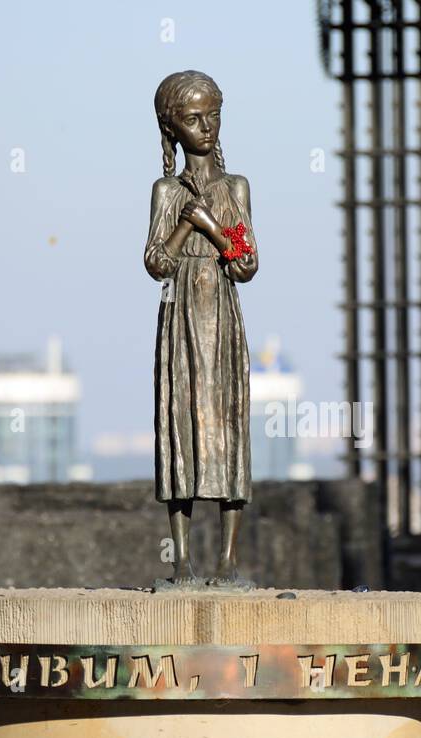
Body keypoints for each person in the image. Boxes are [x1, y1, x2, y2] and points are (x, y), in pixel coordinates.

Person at [144, 70, 258, 587]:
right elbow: (155, 262)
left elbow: (247, 263)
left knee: (227, 425)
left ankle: (228, 560)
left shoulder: (236, 187)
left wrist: (211, 226)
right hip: (180, 315)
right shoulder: (165, 191)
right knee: (181, 424)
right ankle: (181, 560)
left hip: (223, 317)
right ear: (172, 127)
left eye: (213, 115)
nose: (206, 126)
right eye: (194, 118)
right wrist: (187, 223)